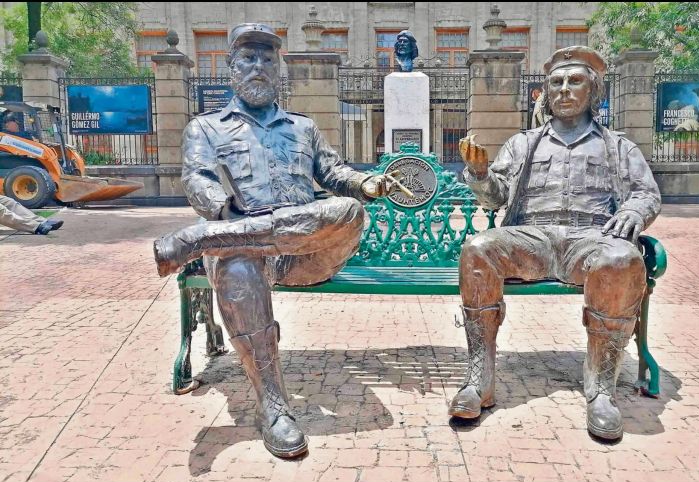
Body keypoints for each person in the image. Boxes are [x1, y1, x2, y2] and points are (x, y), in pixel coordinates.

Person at [152, 24, 400, 459]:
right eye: (248, 59)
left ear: (277, 68)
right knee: (238, 269)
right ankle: (274, 404)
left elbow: (334, 173)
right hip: (244, 252)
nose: (259, 67)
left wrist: (368, 183)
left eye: (267, 59)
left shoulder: (303, 128)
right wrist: (221, 208)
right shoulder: (206, 128)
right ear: (231, 69)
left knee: (348, 212)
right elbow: (197, 181)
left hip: (304, 255)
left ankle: (199, 239)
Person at [451, 46, 661, 442]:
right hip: (532, 238)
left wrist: (635, 212)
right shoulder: (523, 143)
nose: (564, 89)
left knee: (621, 258)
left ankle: (601, 388)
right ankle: (480, 379)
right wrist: (479, 174)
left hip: (591, 239)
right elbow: (496, 196)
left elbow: (646, 193)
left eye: (575, 81)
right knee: (478, 248)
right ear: (546, 92)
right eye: (556, 82)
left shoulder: (617, 146)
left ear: (593, 90)